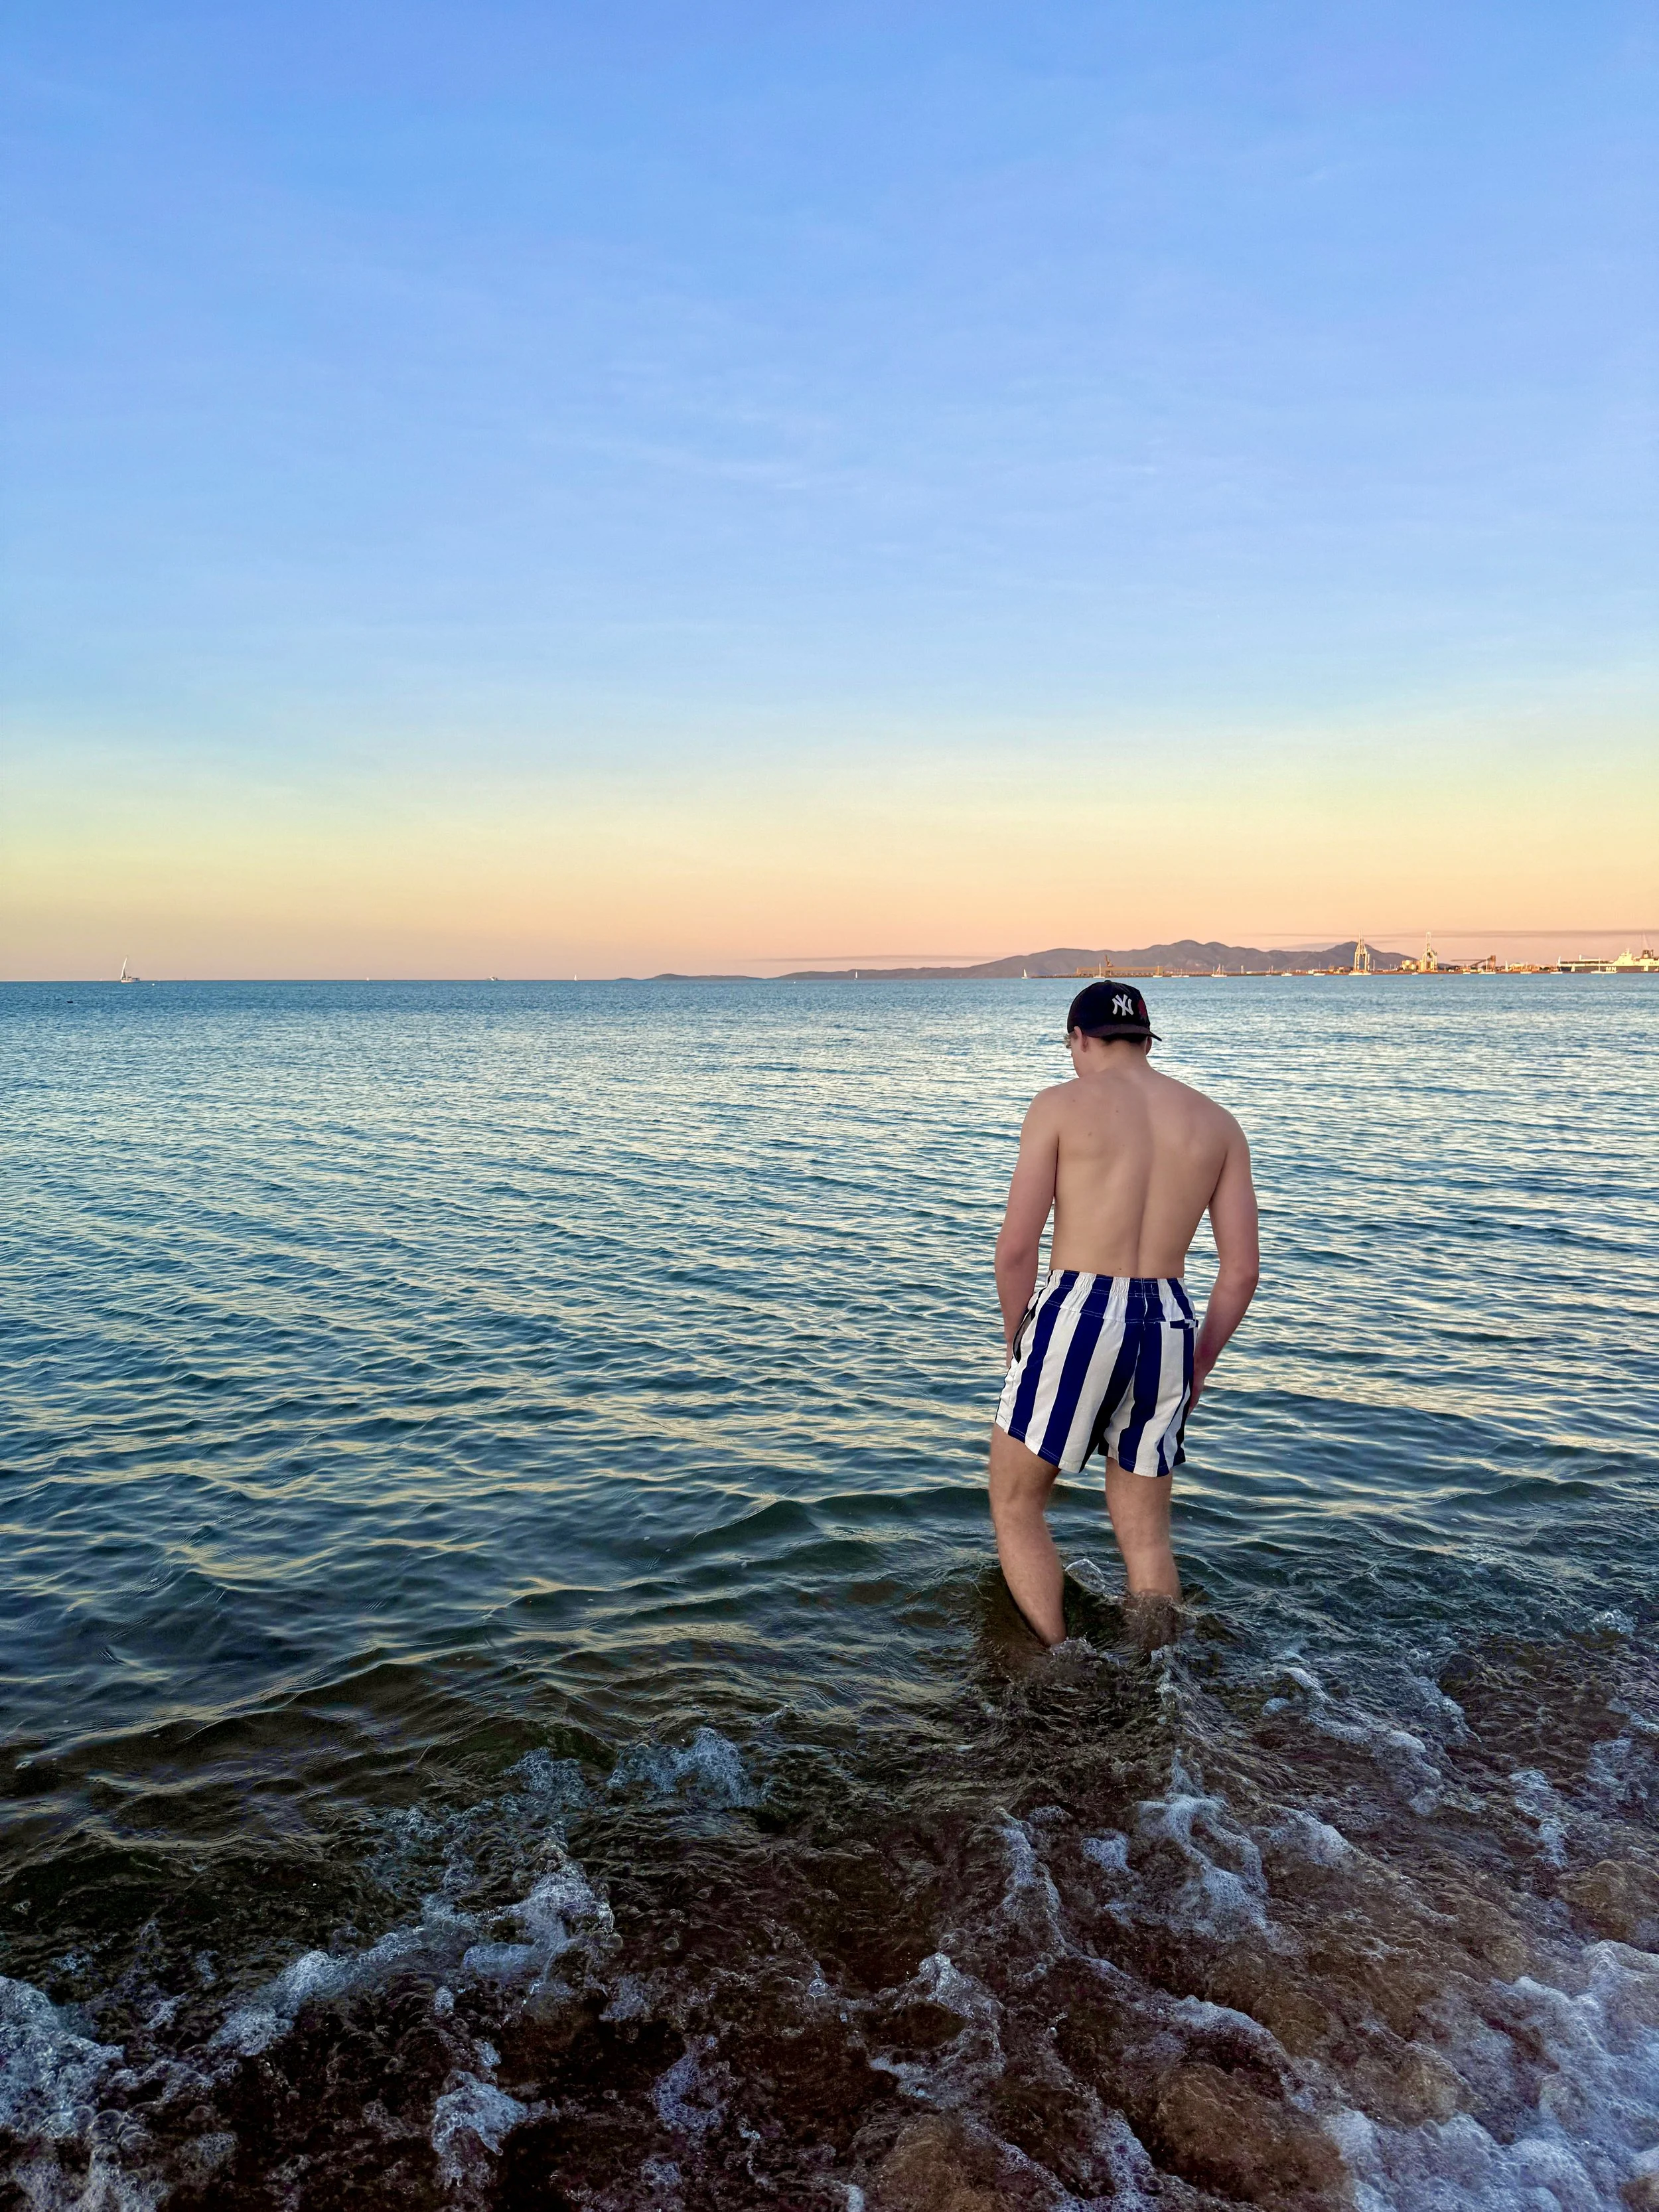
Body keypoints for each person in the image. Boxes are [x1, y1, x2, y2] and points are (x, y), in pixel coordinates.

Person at [987, 981, 1259, 1645]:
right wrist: (1198, 1363)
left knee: (1017, 1502)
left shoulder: (1058, 1106)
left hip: (1077, 1309)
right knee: (1144, 1536)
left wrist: (1015, 1335)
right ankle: (1156, 1677)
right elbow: (1241, 1273)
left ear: (1079, 1039)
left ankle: (1056, 1665)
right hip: (1166, 1318)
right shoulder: (1216, 1123)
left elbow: (1017, 1247)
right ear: (1144, 1039)